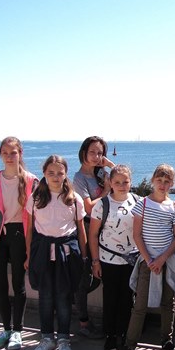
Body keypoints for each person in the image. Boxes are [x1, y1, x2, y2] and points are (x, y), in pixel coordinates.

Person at [113, 164, 175, 350]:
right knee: (140, 305)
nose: (162, 184)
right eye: (159, 180)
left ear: (172, 184)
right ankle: (130, 346)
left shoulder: (174, 207)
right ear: (153, 180)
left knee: (167, 304)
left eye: (167, 181)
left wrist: (162, 259)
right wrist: (150, 260)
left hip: (167, 262)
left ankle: (166, 341)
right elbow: (137, 234)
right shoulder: (142, 204)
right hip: (147, 262)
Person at [0, 137, 39, 350]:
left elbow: (36, 216)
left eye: (13, 152)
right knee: (0, 285)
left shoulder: (31, 181)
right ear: (0, 155)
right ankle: (5, 329)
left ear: (20, 153)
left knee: (19, 285)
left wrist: (32, 247)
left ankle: (17, 331)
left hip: (20, 236)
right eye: (5, 153)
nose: (9, 157)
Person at [26, 155, 87, 350]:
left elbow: (80, 230)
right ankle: (46, 338)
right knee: (45, 296)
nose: (55, 176)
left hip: (66, 253)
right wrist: (28, 256)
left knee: (63, 296)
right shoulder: (35, 197)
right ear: (44, 173)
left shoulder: (74, 199)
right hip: (42, 252)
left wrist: (84, 257)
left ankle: (63, 338)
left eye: (60, 173)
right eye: (51, 172)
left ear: (65, 174)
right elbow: (30, 229)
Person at [88, 165, 140, 350]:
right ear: (110, 182)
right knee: (110, 298)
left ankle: (125, 334)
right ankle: (110, 336)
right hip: (107, 260)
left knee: (128, 299)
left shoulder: (138, 201)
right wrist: (95, 261)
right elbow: (93, 235)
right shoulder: (102, 205)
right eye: (117, 182)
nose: (121, 185)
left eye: (125, 181)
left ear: (130, 182)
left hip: (132, 260)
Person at [73, 136, 115, 339]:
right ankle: (83, 322)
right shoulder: (79, 178)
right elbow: (88, 207)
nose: (96, 156)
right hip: (88, 228)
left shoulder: (101, 173)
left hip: (105, 229)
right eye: (92, 152)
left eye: (100, 153)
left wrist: (110, 165)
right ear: (83, 153)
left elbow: (121, 182)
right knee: (85, 278)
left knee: (99, 277)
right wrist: (106, 190)